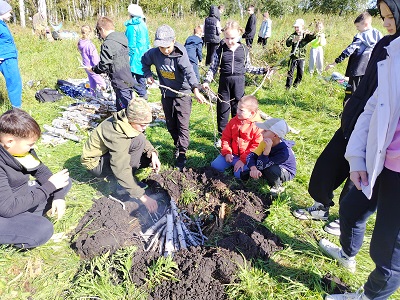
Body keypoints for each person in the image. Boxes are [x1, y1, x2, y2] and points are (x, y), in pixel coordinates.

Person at [322, 2, 400, 299]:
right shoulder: (392, 51)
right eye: (385, 17)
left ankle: (369, 296)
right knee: (352, 209)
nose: (389, 23)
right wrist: (357, 156)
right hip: (379, 157)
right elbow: (373, 105)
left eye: (393, 17)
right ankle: (347, 252)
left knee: (389, 251)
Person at [293, 13, 383, 236]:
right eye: (385, 15)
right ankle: (321, 205)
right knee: (328, 162)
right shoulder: (383, 44)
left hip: (378, 127)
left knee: (359, 174)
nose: (387, 21)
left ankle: (346, 219)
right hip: (353, 118)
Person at [0, 109, 71, 248]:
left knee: (64, 181)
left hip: (18, 197)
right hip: (5, 210)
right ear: (9, 141)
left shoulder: (19, 149)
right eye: (30, 144)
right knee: (43, 229)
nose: (34, 147)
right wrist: (49, 187)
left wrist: (58, 196)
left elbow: (42, 171)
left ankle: (26, 218)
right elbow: (8, 208)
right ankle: (21, 228)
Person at [141, 24, 206, 171]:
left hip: (183, 93)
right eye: (161, 47)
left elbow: (190, 72)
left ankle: (182, 153)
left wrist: (195, 89)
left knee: (182, 124)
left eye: (167, 47)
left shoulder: (180, 54)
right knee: (171, 124)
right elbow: (144, 62)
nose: (164, 50)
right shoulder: (154, 54)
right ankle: (178, 144)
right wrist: (148, 74)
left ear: (174, 41)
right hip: (166, 93)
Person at [81, 98, 160, 213]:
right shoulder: (117, 134)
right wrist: (143, 197)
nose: (145, 128)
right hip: (95, 164)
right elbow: (120, 168)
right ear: (132, 119)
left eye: (147, 124)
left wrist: (152, 153)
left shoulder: (125, 120)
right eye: (143, 125)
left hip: (106, 153)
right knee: (124, 166)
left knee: (140, 141)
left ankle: (128, 182)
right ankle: (122, 187)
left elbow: (139, 136)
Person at [203, 20, 270, 147]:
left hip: (239, 83)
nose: (229, 41)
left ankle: (237, 135)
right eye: (227, 38)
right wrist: (206, 81)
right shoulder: (220, 50)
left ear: (239, 34)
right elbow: (213, 68)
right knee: (223, 111)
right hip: (224, 83)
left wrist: (263, 70)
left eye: (232, 38)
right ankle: (222, 137)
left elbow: (248, 67)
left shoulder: (244, 50)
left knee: (238, 110)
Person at [325, 12, 382, 105]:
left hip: (357, 69)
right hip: (369, 69)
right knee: (364, 92)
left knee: (350, 92)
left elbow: (349, 49)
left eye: (358, 27)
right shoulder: (378, 34)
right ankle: (358, 114)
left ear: (366, 24)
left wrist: (335, 62)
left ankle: (346, 115)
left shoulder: (360, 36)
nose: (357, 29)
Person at [86, 17, 134, 111]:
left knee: (123, 109)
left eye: (99, 32)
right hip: (127, 77)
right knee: (129, 102)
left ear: (102, 29)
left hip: (119, 80)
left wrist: (93, 69)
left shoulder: (107, 44)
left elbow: (104, 65)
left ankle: (126, 123)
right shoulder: (122, 38)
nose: (100, 35)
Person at [210, 95, 263, 179]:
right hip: (232, 154)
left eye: (241, 110)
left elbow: (256, 147)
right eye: (237, 108)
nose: (237, 111)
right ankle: (231, 163)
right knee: (215, 166)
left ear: (251, 113)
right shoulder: (233, 121)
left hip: (247, 157)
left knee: (239, 175)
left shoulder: (258, 126)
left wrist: (243, 160)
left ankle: (249, 169)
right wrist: (227, 152)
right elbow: (225, 138)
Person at [242, 118, 296, 194]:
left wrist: (266, 152)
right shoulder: (264, 142)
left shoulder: (284, 153)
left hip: (284, 171)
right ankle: (261, 176)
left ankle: (277, 186)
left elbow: (263, 166)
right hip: (267, 163)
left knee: (270, 169)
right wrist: (253, 168)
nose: (261, 132)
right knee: (245, 173)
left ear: (275, 135)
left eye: (265, 131)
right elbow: (251, 156)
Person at [124, 4, 150, 100]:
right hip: (143, 56)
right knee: (141, 78)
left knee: (128, 79)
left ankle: (137, 96)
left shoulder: (132, 26)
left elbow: (131, 44)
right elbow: (147, 42)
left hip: (134, 57)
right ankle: (143, 100)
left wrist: (128, 56)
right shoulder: (143, 25)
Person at [0, 0, 22, 108]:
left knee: (15, 82)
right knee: (15, 83)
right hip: (6, 58)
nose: (10, 14)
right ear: (1, 12)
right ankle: (17, 112)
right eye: (8, 12)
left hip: (9, 57)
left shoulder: (2, 24)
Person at [285, 18, 316, 89]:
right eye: (295, 27)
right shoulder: (293, 35)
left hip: (301, 58)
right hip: (293, 57)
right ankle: (287, 88)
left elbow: (312, 37)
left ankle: (295, 85)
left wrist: (313, 32)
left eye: (298, 27)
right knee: (290, 73)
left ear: (302, 26)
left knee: (300, 73)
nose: (296, 28)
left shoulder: (305, 35)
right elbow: (287, 43)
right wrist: (295, 39)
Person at [77, 25, 106, 96]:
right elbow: (94, 58)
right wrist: (99, 67)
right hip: (92, 66)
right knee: (99, 80)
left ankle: (92, 94)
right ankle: (105, 89)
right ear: (90, 33)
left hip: (85, 65)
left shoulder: (81, 42)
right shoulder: (90, 45)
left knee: (92, 81)